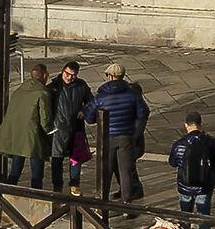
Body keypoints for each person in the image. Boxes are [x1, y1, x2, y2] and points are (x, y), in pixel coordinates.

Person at [90, 62, 149, 209]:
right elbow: (143, 114)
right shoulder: (133, 95)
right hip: (126, 137)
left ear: (110, 77)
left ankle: (103, 202)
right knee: (125, 172)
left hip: (106, 138)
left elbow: (90, 117)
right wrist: (135, 134)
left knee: (106, 171)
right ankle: (127, 204)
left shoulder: (101, 96)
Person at [0, 60, 55, 190]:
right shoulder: (43, 93)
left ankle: (8, 194)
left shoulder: (19, 91)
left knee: (15, 170)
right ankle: (35, 197)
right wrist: (51, 130)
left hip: (17, 136)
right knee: (37, 174)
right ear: (45, 75)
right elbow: (45, 118)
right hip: (34, 137)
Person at [169, 110, 215, 229]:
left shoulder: (179, 144)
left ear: (186, 125)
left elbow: (172, 163)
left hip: (185, 185)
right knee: (204, 215)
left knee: (185, 213)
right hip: (204, 185)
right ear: (201, 124)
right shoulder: (210, 142)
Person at [49, 61, 93, 195]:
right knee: (57, 159)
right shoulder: (54, 86)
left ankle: (74, 184)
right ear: (63, 71)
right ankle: (57, 186)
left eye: (73, 75)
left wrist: (84, 110)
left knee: (76, 158)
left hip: (76, 127)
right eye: (67, 74)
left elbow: (91, 100)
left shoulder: (81, 85)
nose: (69, 77)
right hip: (58, 128)